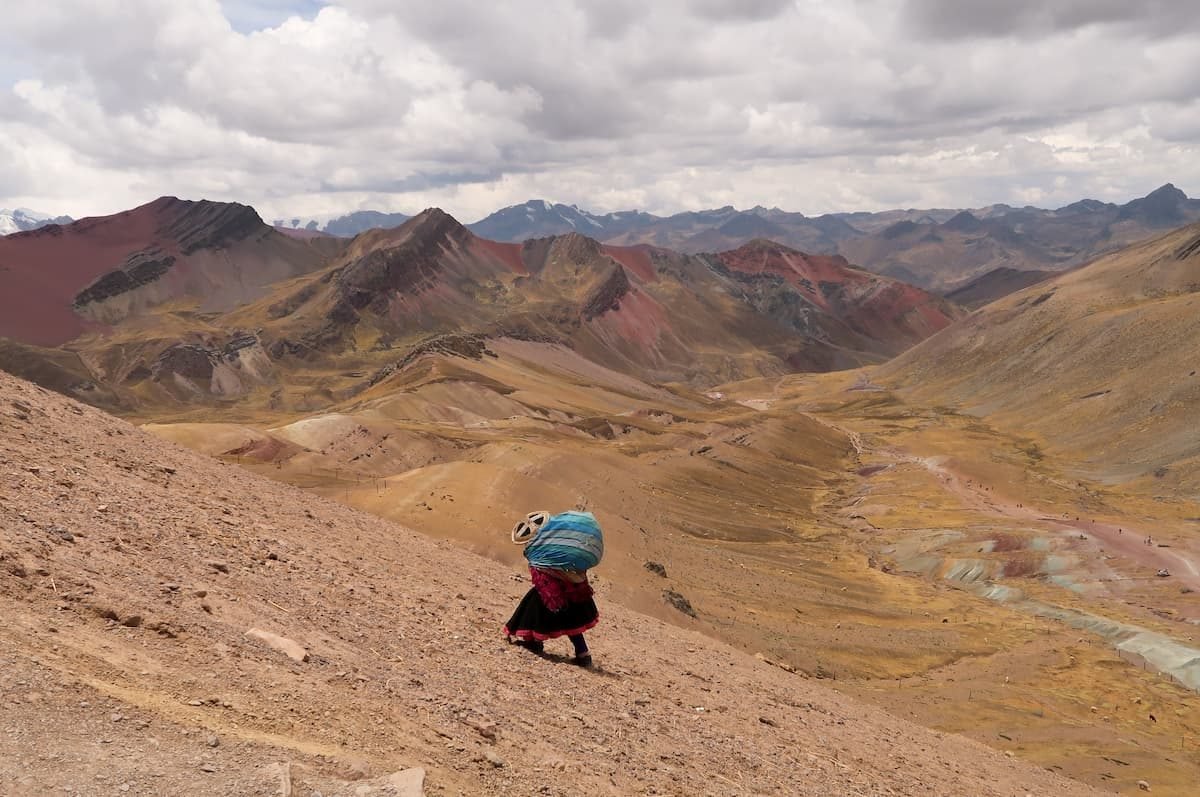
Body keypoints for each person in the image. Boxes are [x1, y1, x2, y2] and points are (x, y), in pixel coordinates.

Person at [503, 510, 603, 667]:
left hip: (552, 591)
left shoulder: (536, 553)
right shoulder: (560, 546)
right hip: (573, 587)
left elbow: (541, 578)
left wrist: (551, 597)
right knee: (573, 622)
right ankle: (583, 654)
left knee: (533, 612)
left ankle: (534, 643)